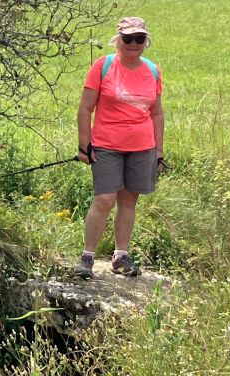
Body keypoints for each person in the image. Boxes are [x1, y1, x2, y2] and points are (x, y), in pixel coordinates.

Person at [75, 16, 165, 279]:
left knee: (129, 200)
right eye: (128, 38)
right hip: (106, 145)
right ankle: (87, 257)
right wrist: (84, 145)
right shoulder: (103, 66)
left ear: (145, 42)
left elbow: (157, 114)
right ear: (118, 40)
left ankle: (120, 256)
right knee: (104, 199)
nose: (133, 44)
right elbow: (85, 108)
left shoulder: (152, 70)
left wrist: (158, 151)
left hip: (142, 147)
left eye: (139, 39)